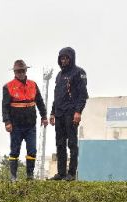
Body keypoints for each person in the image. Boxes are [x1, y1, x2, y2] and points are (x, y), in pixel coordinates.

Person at [2, 59, 48, 181]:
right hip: (15, 125)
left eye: (23, 70)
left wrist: (44, 116)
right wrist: (7, 122)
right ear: (14, 72)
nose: (21, 73)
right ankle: (13, 177)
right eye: (18, 71)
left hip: (30, 125)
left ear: (26, 70)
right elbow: (5, 106)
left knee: (32, 150)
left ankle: (30, 176)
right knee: (14, 151)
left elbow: (39, 101)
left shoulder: (33, 85)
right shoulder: (8, 87)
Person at [48, 47, 88, 181]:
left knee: (72, 143)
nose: (63, 61)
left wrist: (78, 112)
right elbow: (57, 96)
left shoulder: (79, 73)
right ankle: (61, 173)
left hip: (71, 113)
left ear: (71, 59)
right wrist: (52, 113)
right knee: (60, 144)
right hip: (59, 113)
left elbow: (83, 95)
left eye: (66, 58)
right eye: (61, 58)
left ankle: (71, 173)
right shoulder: (59, 75)